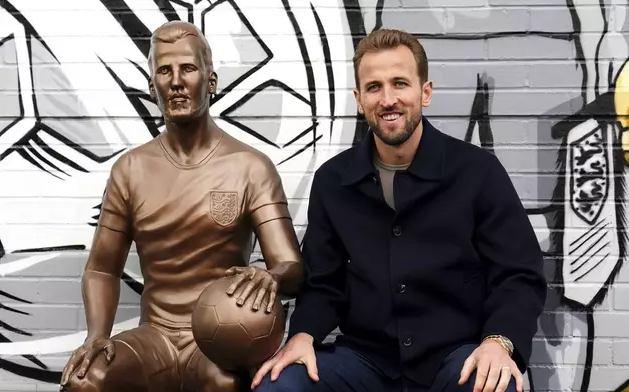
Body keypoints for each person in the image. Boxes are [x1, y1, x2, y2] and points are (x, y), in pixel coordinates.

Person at [250, 29, 547, 392]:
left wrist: (499, 343)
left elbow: (519, 274)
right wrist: (303, 336)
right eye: (374, 87)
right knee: (280, 384)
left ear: (425, 92)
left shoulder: (477, 172)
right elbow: (323, 283)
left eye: (400, 83)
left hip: (456, 359)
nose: (388, 99)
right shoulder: (334, 181)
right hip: (365, 360)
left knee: (492, 384)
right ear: (359, 99)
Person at [58, 21, 304, 392]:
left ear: (211, 81)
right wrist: (96, 335)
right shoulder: (131, 170)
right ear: (151, 86)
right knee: (85, 380)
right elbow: (102, 269)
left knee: (222, 383)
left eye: (188, 68)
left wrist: (272, 276)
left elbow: (293, 268)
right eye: (164, 70)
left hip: (216, 344)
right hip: (153, 338)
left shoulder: (250, 167)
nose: (176, 80)